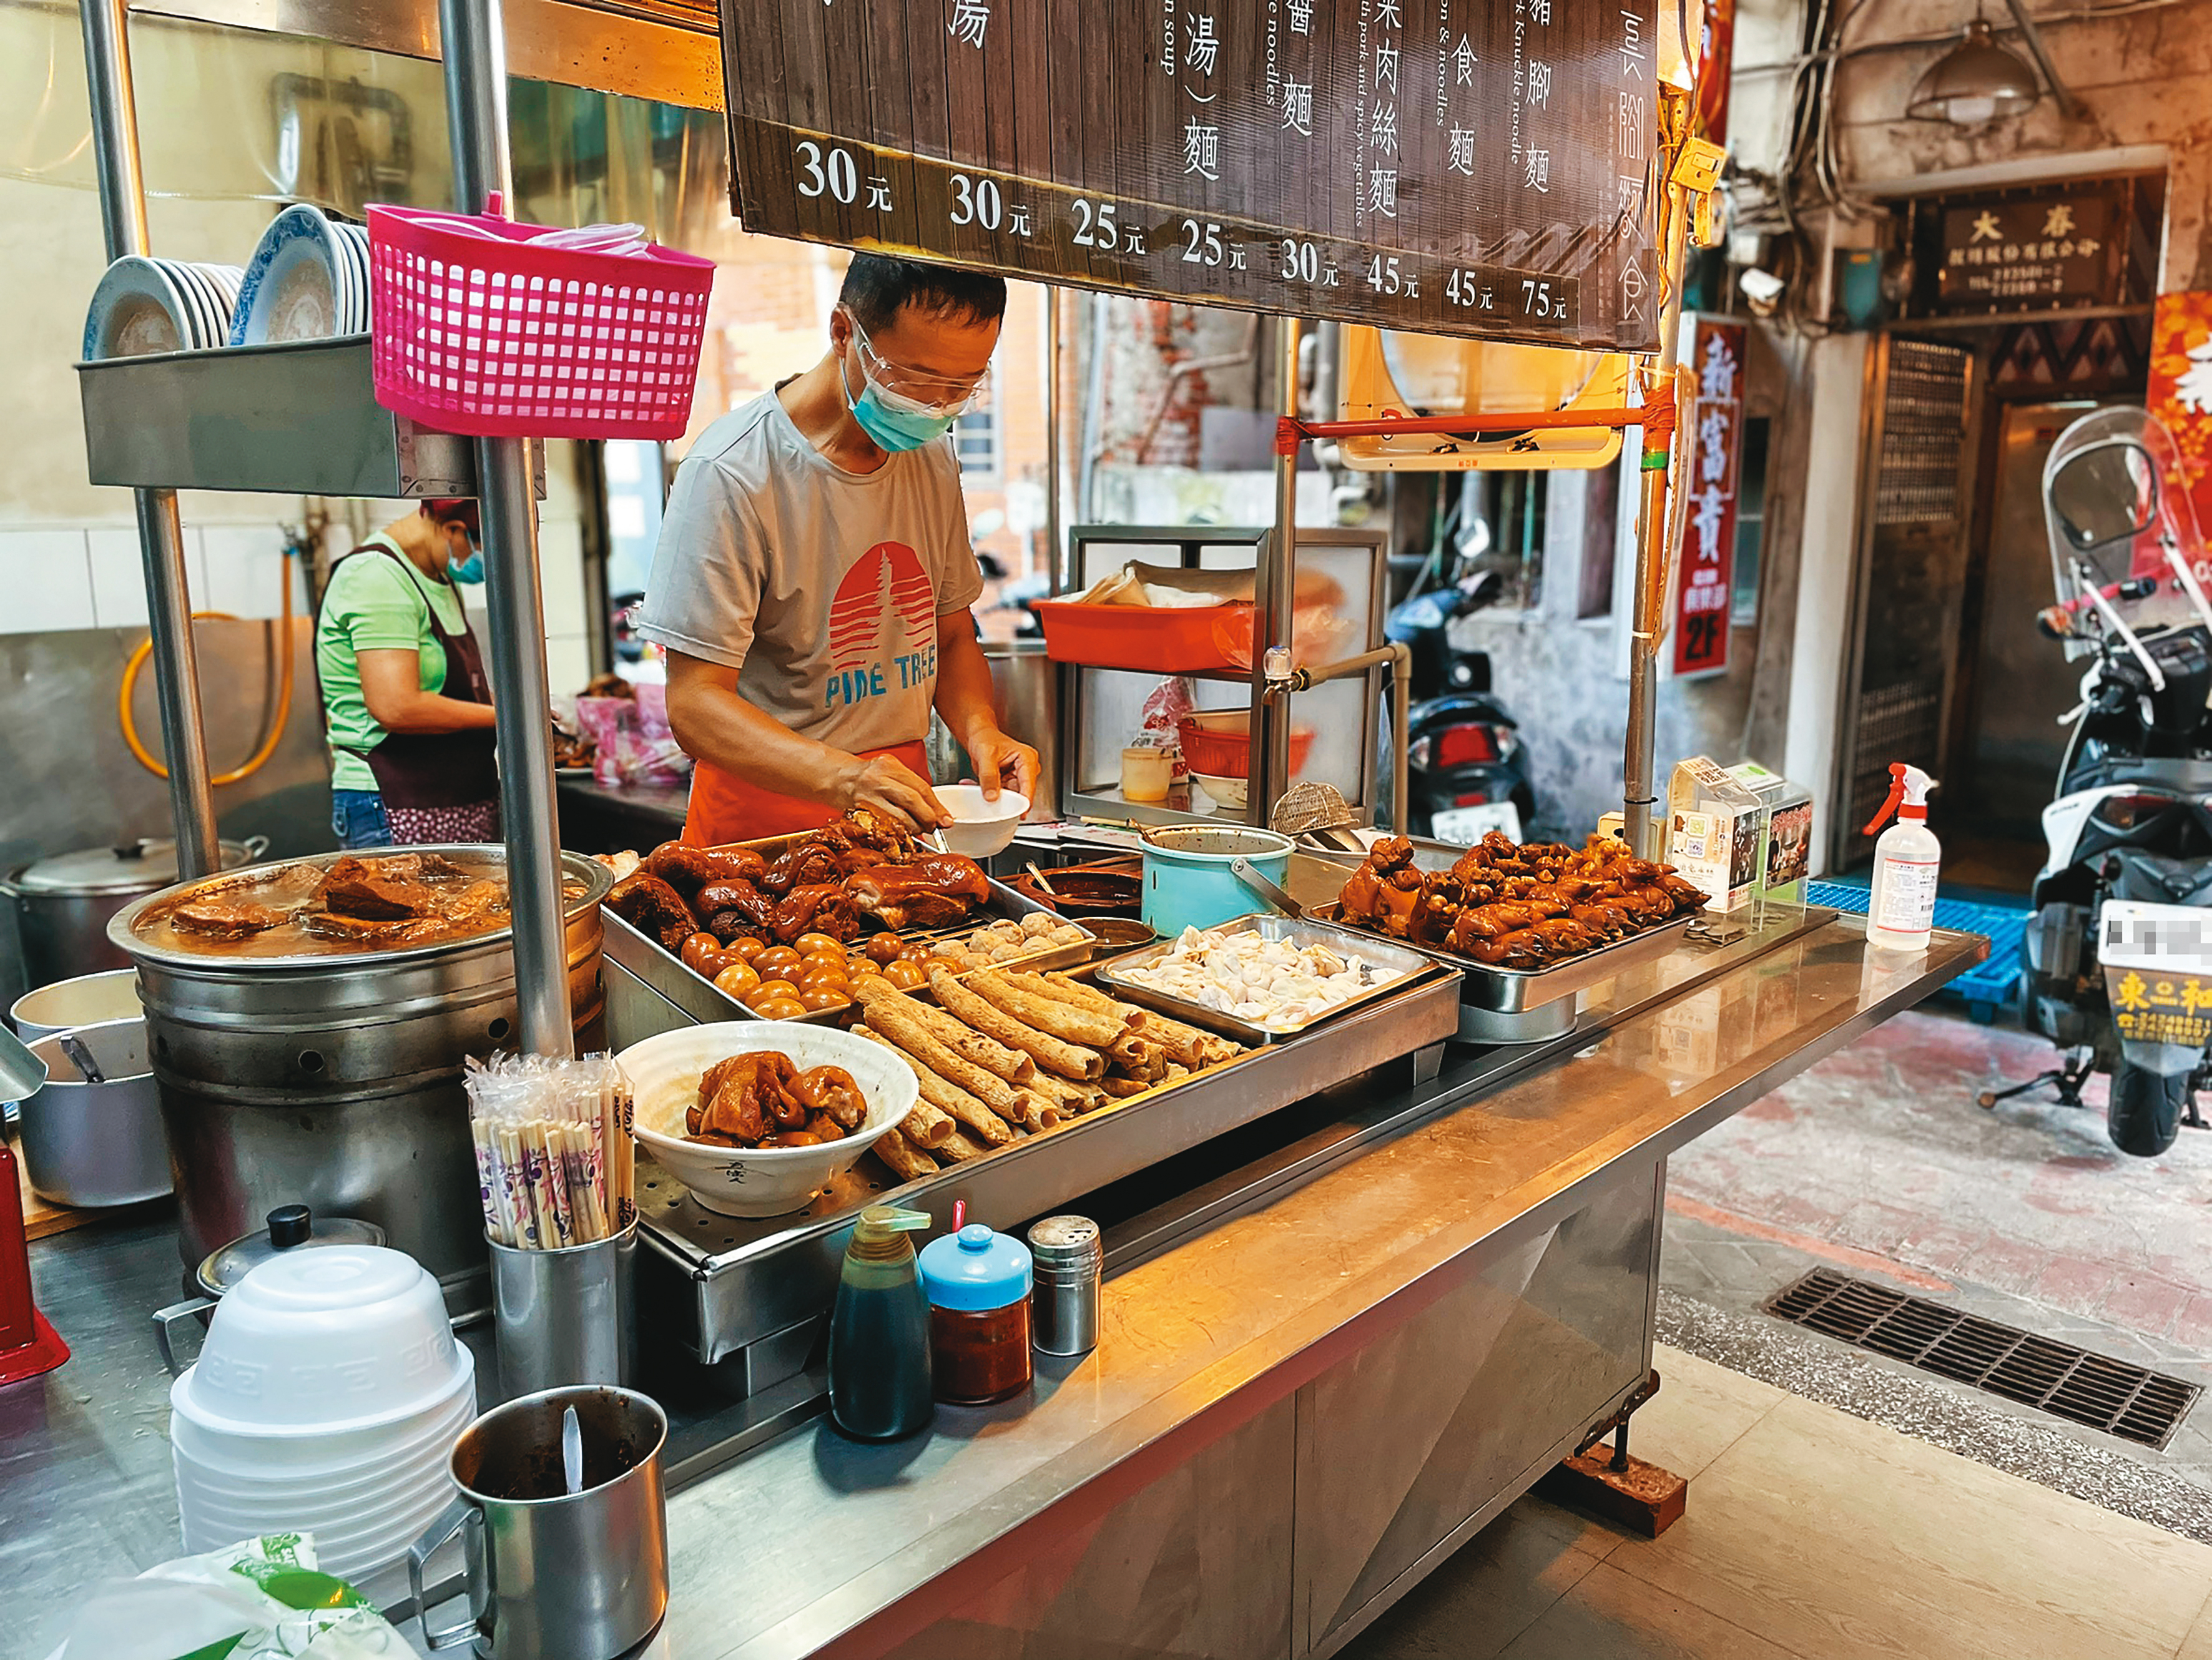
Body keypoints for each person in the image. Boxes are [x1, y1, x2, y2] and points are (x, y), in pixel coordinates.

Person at [639, 254, 1041, 844]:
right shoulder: (733, 471)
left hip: (899, 803)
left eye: (961, 387)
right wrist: (846, 778)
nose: (935, 406)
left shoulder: (931, 457)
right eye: (913, 379)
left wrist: (981, 731)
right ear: (842, 332)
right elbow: (695, 703)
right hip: (762, 820)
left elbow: (951, 633)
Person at [314, 498, 501, 848]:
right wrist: (508, 718)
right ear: (453, 530)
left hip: (453, 798)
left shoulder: (438, 574)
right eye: (488, 547)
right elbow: (396, 706)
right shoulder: (377, 577)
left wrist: (530, 712)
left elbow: (454, 696)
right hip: (391, 802)